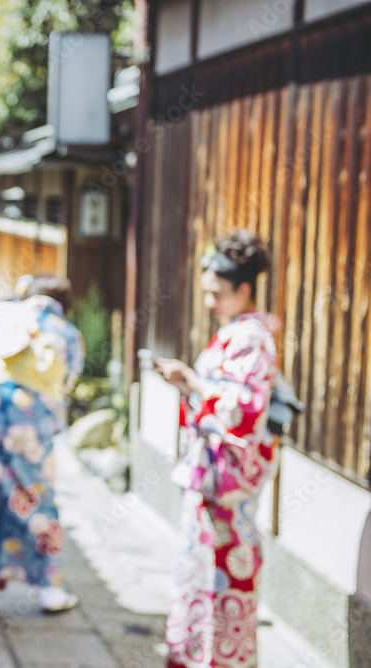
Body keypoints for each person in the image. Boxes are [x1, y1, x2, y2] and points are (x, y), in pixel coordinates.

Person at [155, 230, 278, 668]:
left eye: (217, 293)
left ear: (243, 289)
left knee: (224, 578)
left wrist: (193, 382)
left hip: (229, 487)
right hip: (213, 481)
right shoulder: (234, 333)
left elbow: (245, 410)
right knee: (203, 574)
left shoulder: (252, 338)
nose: (210, 302)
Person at [0, 274, 84, 615]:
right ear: (62, 304)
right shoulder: (65, 330)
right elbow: (67, 381)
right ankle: (48, 588)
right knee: (35, 497)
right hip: (30, 425)